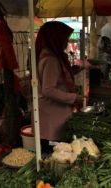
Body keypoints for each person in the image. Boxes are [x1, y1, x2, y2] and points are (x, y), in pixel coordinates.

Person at [35, 21, 84, 153]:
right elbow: (48, 89)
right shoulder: (51, 59)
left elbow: (55, 78)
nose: (67, 43)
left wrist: (72, 71)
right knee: (54, 152)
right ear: (55, 38)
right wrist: (74, 98)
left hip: (52, 112)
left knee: (54, 150)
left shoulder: (50, 55)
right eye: (65, 39)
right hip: (52, 114)